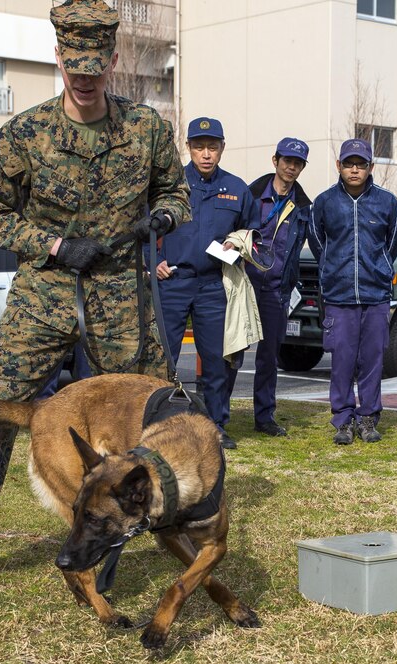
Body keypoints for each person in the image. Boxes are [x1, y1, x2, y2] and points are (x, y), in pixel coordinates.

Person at [0, 0, 190, 602]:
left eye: (95, 67)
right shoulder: (23, 134)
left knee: (150, 411)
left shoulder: (147, 129)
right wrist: (54, 244)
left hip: (121, 290)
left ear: (110, 61)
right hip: (45, 292)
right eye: (72, 67)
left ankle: (160, 532)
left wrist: (161, 215)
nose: (83, 79)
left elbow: (177, 194)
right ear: (58, 57)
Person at [156, 117, 259, 449]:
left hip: (214, 283)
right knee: (164, 359)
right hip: (172, 282)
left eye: (212, 147)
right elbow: (143, 228)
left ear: (222, 148)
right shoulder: (168, 185)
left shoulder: (237, 189)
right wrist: (150, 263)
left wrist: (239, 244)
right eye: (199, 147)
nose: (205, 154)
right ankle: (158, 424)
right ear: (188, 148)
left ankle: (214, 425)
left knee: (216, 360)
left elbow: (253, 234)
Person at [310, 139, 397, 445]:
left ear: (370, 168)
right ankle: (343, 420)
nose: (354, 169)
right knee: (342, 361)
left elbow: (394, 241)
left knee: (372, 360)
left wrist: (380, 267)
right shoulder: (324, 202)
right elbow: (317, 241)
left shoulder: (386, 202)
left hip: (376, 295)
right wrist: (332, 268)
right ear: (339, 166)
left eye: (360, 164)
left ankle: (368, 418)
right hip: (339, 296)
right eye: (348, 164)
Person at [226, 137, 312, 437]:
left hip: (277, 289)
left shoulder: (303, 206)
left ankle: (264, 416)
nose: (291, 167)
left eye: (298, 163)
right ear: (275, 160)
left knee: (268, 358)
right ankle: (220, 417)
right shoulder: (248, 195)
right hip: (243, 286)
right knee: (233, 352)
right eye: (287, 160)